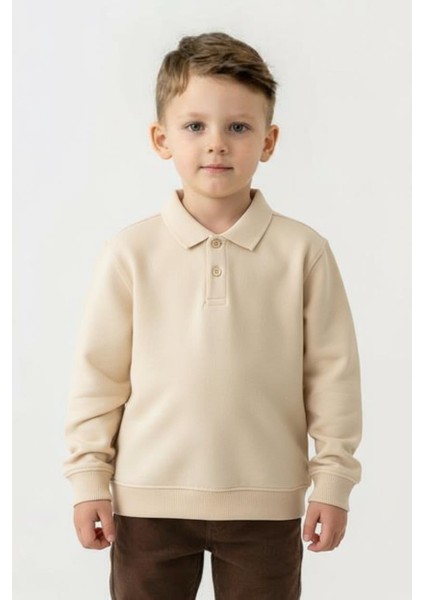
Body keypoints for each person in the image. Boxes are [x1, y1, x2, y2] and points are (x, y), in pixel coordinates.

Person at [63, 31, 362, 599]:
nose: (217, 144)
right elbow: (98, 376)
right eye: (195, 126)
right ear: (162, 139)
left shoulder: (304, 252)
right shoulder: (130, 253)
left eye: (239, 127)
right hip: (146, 501)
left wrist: (333, 479)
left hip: (267, 505)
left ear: (269, 141)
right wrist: (88, 477)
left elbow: (333, 374)